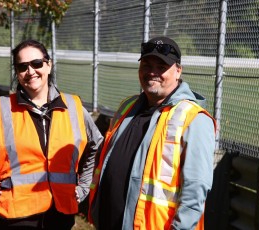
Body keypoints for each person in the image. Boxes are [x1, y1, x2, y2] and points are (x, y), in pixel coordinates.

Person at [0, 39, 103, 229]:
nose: (30, 71)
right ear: (17, 73)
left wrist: (84, 187)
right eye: (22, 67)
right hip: (11, 219)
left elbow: (97, 146)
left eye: (36, 64)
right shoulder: (0, 110)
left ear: (49, 65)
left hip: (59, 218)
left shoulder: (74, 108)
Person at [88, 36, 216, 230]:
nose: (152, 72)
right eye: (147, 65)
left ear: (178, 71)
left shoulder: (194, 119)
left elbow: (196, 189)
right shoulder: (127, 106)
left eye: (161, 66)